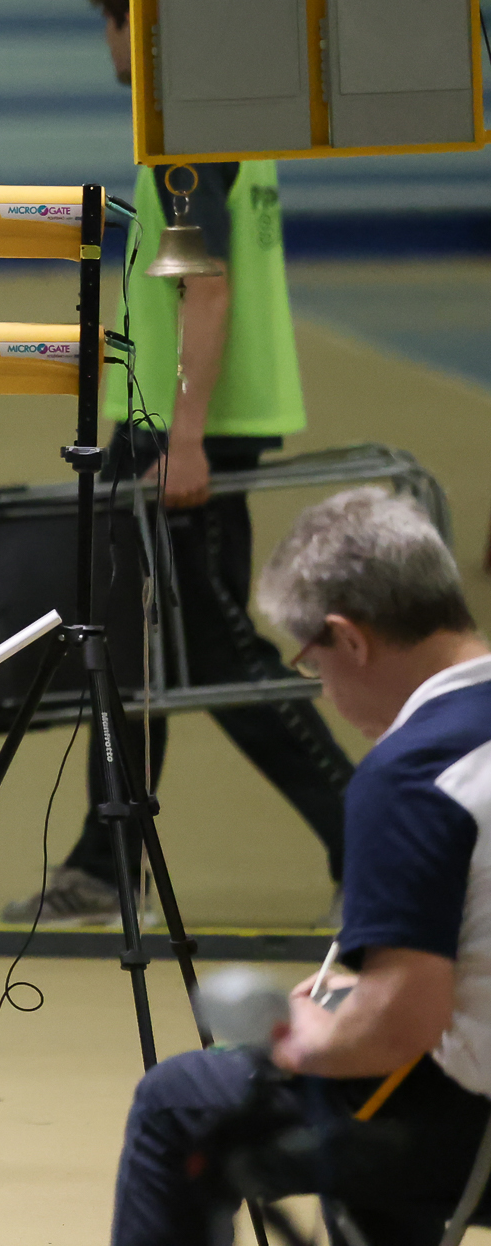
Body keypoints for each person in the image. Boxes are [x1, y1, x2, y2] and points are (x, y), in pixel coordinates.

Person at [7, 0, 351, 922]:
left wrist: (184, 438)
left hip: (183, 436)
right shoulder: (228, 124)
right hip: (175, 426)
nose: (108, 44)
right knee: (136, 652)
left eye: (112, 23)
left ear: (146, 30)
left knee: (219, 656)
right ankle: (106, 861)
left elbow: (207, 290)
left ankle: (373, 836)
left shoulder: (190, 136)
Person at [109, 491, 490, 1245]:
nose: (320, 686)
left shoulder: (412, 775)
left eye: (311, 660)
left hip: (470, 1129)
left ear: (348, 639)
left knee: (178, 1103)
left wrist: (301, 1035)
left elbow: (400, 1026)